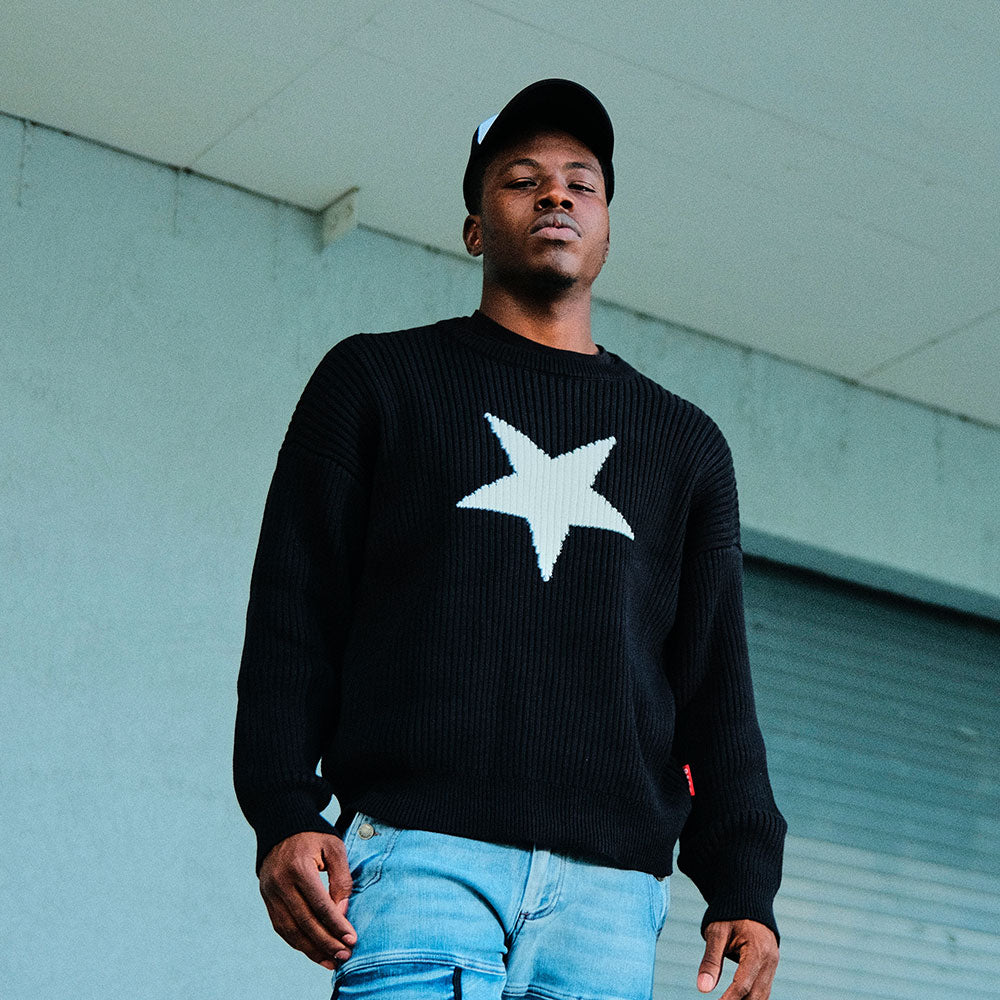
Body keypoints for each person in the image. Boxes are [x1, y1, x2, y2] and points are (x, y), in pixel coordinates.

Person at [234, 78, 786, 1000]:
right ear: (475, 230)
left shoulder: (683, 445)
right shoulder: (377, 383)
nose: (556, 194)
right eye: (522, 179)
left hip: (610, 900)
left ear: (606, 232)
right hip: (420, 861)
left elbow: (715, 683)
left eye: (582, 182)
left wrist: (744, 884)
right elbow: (295, 613)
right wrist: (284, 808)